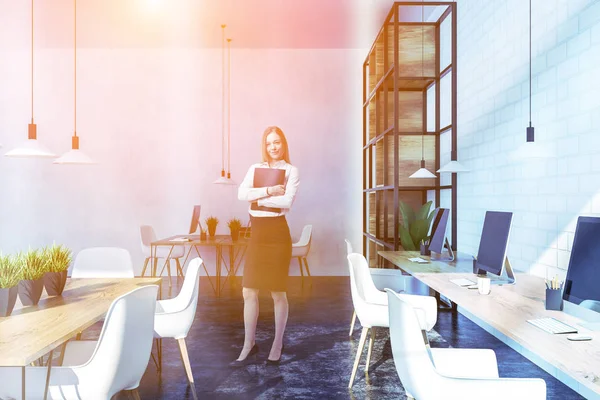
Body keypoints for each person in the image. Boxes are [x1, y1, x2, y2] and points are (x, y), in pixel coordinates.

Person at [234, 126, 300, 365]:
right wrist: (269, 191)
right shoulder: (255, 168)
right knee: (248, 291)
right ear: (265, 145)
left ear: (284, 144)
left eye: (277, 142)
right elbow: (242, 194)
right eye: (269, 143)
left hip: (277, 235)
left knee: (278, 293)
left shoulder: (292, 171)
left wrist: (257, 198)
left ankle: (277, 343)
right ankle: (248, 343)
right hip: (257, 235)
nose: (273, 147)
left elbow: (286, 202)